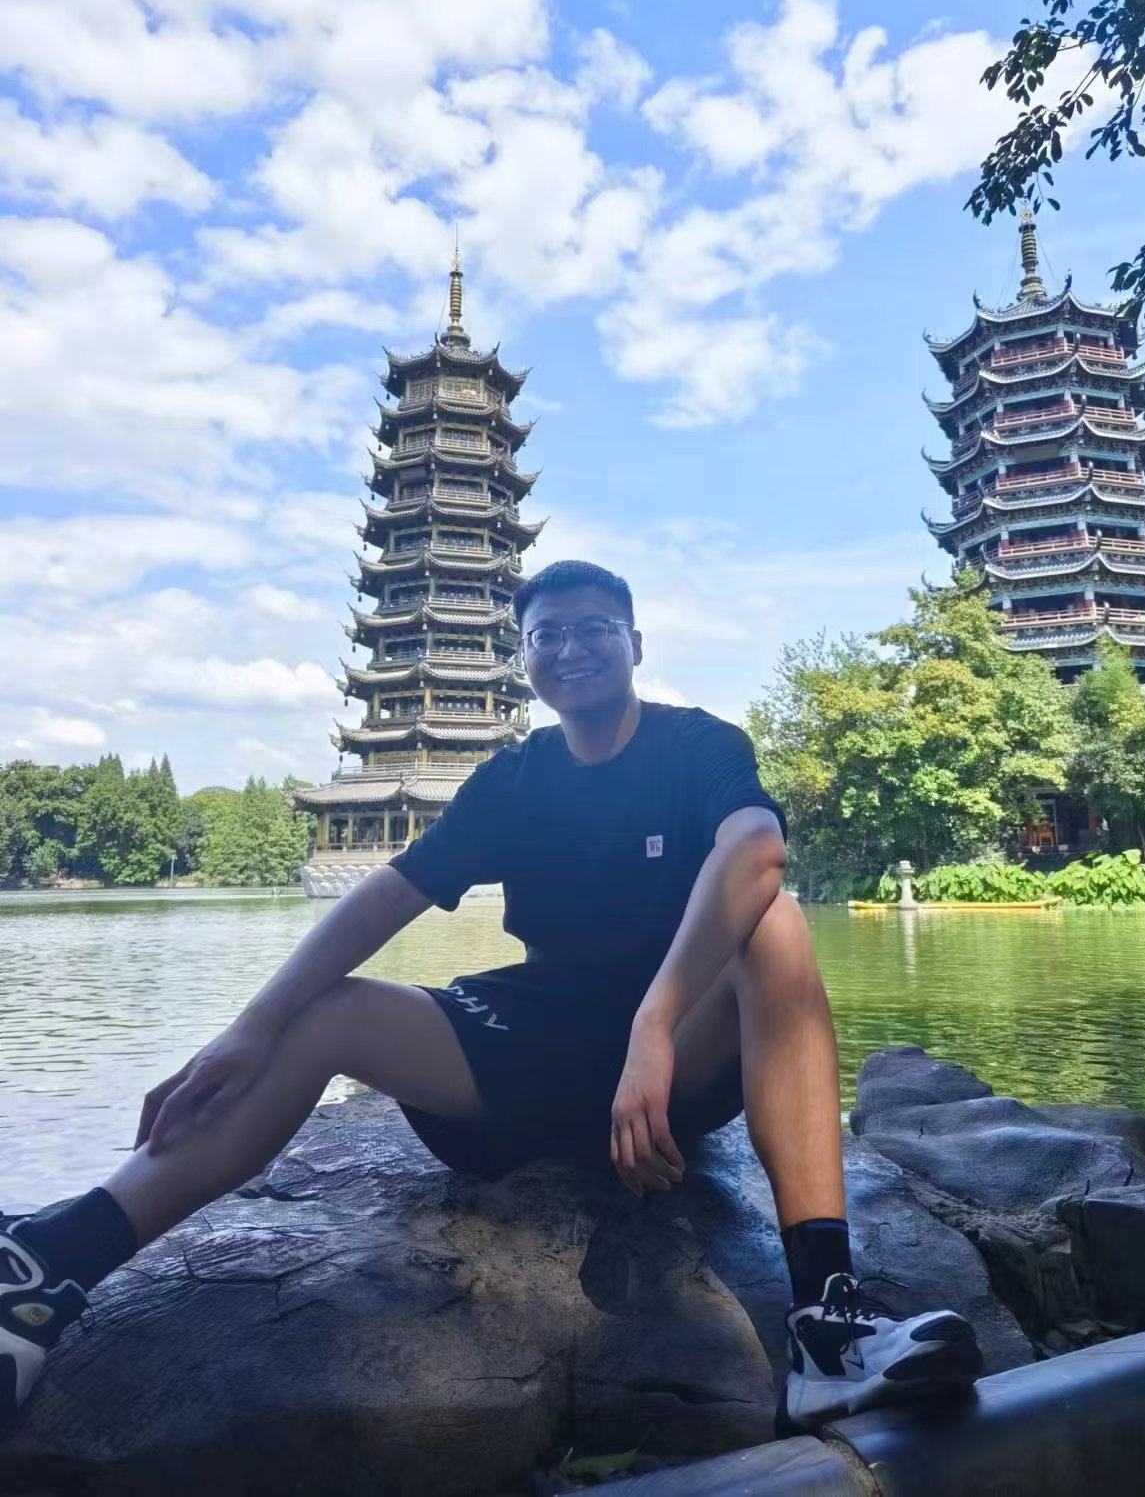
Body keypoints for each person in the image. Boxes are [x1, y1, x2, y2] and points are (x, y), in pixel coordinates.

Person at [1, 560, 980, 1436]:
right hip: (530, 1050)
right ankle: (51, 1265)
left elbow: (756, 850)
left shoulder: (695, 746)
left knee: (777, 922)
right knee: (326, 1011)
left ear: (636, 644)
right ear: (526, 660)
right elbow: (388, 894)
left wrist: (653, 1022)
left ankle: (828, 1322)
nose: (570, 646)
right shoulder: (513, 779)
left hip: (671, 1065)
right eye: (546, 633)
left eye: (594, 627)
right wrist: (246, 1028)